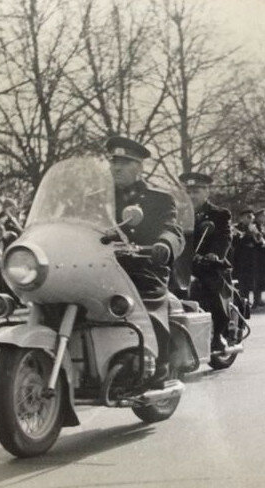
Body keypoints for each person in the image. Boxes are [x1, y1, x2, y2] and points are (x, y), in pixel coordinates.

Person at [106, 136, 186, 381]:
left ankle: (158, 361)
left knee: (145, 301)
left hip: (143, 266)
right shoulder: (98, 199)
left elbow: (172, 228)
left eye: (125, 162)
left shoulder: (158, 199)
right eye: (113, 162)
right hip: (101, 267)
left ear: (139, 167)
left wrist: (164, 244)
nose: (117, 167)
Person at [179, 171, 233, 351]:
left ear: (206, 192)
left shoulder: (219, 214)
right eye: (189, 192)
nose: (192, 196)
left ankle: (218, 334)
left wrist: (215, 254)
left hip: (207, 264)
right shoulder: (178, 214)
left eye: (196, 191)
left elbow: (224, 237)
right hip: (182, 264)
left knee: (212, 289)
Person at [231, 209, 265, 305]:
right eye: (248, 216)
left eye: (252, 217)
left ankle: (257, 300)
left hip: (254, 257)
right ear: (242, 218)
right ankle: (245, 300)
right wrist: (244, 236)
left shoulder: (255, 227)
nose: (251, 219)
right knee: (243, 280)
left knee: (256, 278)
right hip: (241, 258)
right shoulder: (236, 228)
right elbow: (234, 243)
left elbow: (260, 241)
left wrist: (258, 236)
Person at [252, 209, 265, 307]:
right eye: (264, 215)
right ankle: (256, 300)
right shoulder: (254, 226)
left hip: (263, 255)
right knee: (257, 278)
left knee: (262, 278)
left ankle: (259, 299)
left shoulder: (262, 226)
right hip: (257, 256)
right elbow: (256, 240)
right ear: (258, 216)